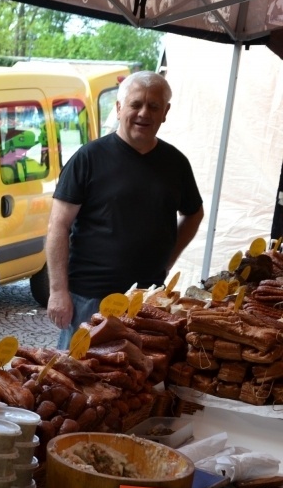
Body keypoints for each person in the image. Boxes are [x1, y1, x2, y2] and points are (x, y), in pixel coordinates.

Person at [46, 70, 204, 350]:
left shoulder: (176, 163)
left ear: (165, 112)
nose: (144, 113)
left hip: (147, 299)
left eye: (153, 106)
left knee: (139, 372)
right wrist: (58, 291)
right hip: (89, 298)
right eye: (136, 104)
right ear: (119, 108)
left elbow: (194, 213)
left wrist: (167, 260)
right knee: (78, 371)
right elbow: (58, 225)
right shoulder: (88, 158)